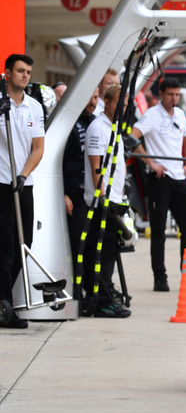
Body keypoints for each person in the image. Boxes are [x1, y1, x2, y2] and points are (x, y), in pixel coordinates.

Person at [128, 78, 186, 293]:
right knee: (158, 230)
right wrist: (150, 163)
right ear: (161, 94)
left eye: (177, 95)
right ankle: (160, 277)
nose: (174, 98)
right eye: (170, 94)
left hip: (179, 178)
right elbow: (131, 139)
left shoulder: (181, 114)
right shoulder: (152, 115)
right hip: (160, 179)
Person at [0, 54, 45, 329]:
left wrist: (23, 174)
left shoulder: (34, 107)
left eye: (28, 71)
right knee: (5, 247)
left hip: (21, 183)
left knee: (22, 243)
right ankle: (5, 307)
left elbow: (38, 148)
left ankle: (3, 302)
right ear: (7, 73)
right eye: (20, 71)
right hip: (1, 183)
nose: (25, 75)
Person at [81, 84, 131, 318]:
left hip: (115, 201)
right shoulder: (98, 129)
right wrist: (103, 198)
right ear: (107, 102)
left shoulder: (115, 128)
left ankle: (105, 293)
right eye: (120, 104)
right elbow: (96, 168)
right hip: (102, 204)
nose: (123, 108)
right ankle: (100, 301)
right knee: (100, 253)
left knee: (110, 252)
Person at [63, 88, 99, 299]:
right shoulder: (68, 124)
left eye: (95, 97)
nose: (92, 102)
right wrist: (64, 194)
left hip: (92, 195)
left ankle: (90, 290)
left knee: (93, 246)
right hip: (74, 195)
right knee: (78, 244)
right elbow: (60, 161)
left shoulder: (96, 123)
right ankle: (76, 293)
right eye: (88, 97)